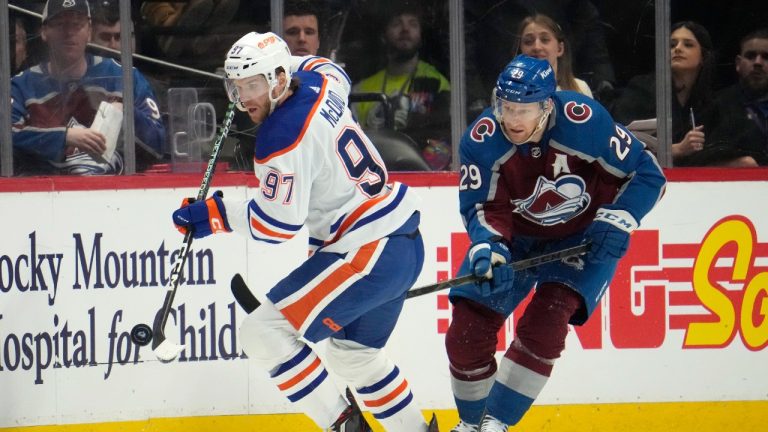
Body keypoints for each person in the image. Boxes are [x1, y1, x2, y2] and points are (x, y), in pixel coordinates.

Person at [171, 32, 438, 432]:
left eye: (253, 85)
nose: (243, 99)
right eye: (237, 87)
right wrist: (270, 65)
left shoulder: (281, 137)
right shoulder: (322, 80)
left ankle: (345, 427)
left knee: (263, 334)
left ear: (279, 79)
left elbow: (277, 224)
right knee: (353, 356)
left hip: (367, 250)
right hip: (400, 241)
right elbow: (320, 66)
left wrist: (215, 214)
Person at [445, 55, 666, 432]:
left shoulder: (585, 122)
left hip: (582, 239)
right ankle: (471, 425)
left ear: (547, 105)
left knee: (548, 321)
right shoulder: (481, 140)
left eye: (524, 110)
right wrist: (489, 246)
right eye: (507, 107)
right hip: (515, 239)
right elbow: (482, 206)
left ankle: (495, 424)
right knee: (466, 330)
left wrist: (619, 218)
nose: (512, 119)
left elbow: (647, 173)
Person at [10, 0, 165, 175]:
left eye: (77, 24)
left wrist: (126, 112)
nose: (69, 32)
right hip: (45, 196)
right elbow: (5, 137)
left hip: (114, 193)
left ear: (89, 31)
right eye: (60, 24)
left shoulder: (125, 77)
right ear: (44, 32)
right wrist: (66, 137)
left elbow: (158, 146)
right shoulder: (20, 85)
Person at [352, 3, 452, 170]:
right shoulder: (361, 89)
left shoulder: (438, 84)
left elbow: (444, 145)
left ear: (421, 35)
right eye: (397, 23)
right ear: (383, 34)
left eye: (413, 24)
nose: (405, 29)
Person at [612, 21, 723, 166]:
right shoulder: (642, 89)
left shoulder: (709, 102)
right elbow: (619, 144)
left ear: (703, 56)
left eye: (688, 44)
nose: (677, 49)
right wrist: (677, 150)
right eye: (672, 45)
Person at [707, 28, 768, 166]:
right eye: (751, 56)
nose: (758, 62)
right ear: (738, 64)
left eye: (766, 57)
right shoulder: (716, 105)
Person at [514, 14, 593, 97]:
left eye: (545, 40)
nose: (537, 47)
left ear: (559, 49)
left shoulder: (581, 88)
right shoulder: (505, 90)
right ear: (520, 50)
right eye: (528, 41)